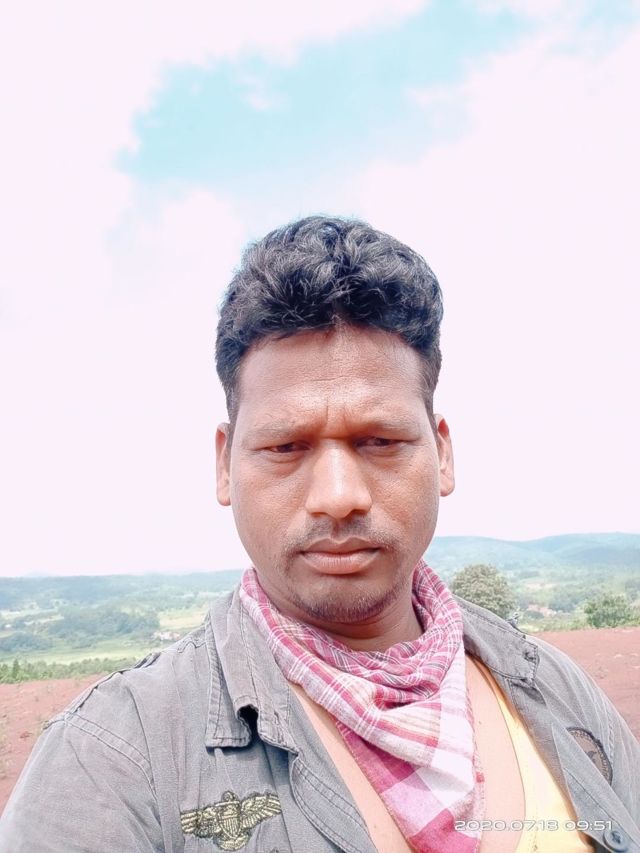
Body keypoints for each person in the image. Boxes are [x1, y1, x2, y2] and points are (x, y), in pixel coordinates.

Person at [1, 216, 638, 853]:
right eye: (285, 446)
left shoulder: (555, 690)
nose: (338, 496)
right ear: (225, 465)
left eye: (380, 441)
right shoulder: (111, 761)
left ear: (442, 454)